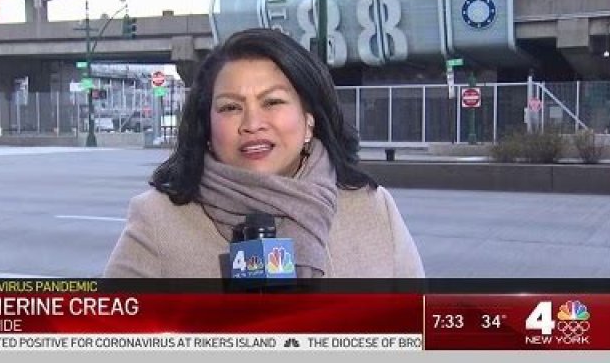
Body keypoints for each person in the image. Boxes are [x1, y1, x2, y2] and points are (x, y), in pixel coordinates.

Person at [104, 28, 424, 278]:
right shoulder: (157, 219)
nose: (252, 124)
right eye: (230, 107)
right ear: (207, 127)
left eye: (272, 102)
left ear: (309, 120)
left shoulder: (372, 207)